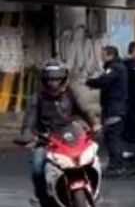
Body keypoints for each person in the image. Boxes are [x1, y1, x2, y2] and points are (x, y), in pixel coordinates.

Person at [22, 61, 98, 203]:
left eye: (57, 79)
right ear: (44, 80)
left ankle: (93, 188)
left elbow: (84, 111)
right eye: (50, 79)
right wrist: (28, 137)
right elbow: (28, 123)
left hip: (69, 136)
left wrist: (94, 124)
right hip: (46, 139)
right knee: (37, 168)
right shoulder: (36, 98)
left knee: (90, 157)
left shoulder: (70, 94)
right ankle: (43, 198)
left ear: (63, 79)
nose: (53, 83)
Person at [85, 46, 128, 176]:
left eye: (103, 54)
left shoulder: (115, 68)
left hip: (115, 108)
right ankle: (116, 164)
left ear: (110, 55)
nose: (101, 57)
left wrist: (88, 82)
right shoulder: (117, 67)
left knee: (112, 137)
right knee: (113, 137)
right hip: (115, 107)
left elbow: (104, 80)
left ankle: (116, 166)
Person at [122, 41, 135, 142]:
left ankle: (128, 134)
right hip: (133, 93)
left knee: (130, 115)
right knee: (133, 116)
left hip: (129, 93)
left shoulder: (125, 62)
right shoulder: (131, 62)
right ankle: (132, 135)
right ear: (134, 50)